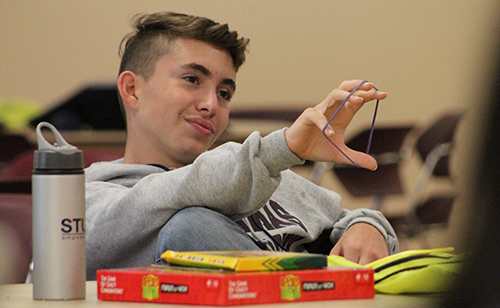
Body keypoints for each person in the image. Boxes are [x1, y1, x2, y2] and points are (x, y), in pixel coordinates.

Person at [85, 12, 399, 280]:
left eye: (224, 93)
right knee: (191, 227)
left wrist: (365, 225)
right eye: (192, 79)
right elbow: (185, 189)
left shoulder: (268, 176)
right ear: (132, 89)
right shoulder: (91, 198)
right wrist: (283, 147)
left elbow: (346, 220)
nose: (211, 104)